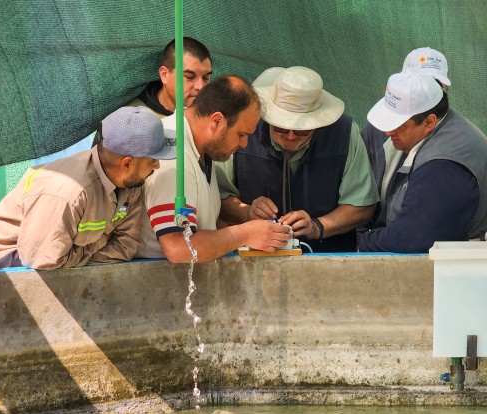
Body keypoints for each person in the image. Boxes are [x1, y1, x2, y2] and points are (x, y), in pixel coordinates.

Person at [0, 107, 175, 271]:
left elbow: (126, 246)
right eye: (152, 160)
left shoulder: (131, 186)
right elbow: (43, 260)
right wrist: (101, 241)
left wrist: (74, 254)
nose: (157, 166)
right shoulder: (68, 191)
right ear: (127, 164)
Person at [359, 71, 487, 253]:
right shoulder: (447, 127)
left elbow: (412, 236)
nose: (388, 133)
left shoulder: (443, 162)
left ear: (429, 122)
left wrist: (362, 242)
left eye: (400, 126)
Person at [215, 66, 379, 252]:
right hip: (255, 260)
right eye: (281, 128)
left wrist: (318, 226)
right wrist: (247, 212)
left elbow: (362, 204)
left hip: (328, 262)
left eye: (302, 130)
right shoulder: (244, 129)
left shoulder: (345, 132)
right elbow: (218, 198)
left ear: (319, 122)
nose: (291, 136)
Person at [136, 75, 291, 262]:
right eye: (241, 134)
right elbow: (178, 247)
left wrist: (247, 214)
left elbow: (201, 217)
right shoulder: (173, 159)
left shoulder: (202, 145)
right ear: (217, 121)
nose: (244, 144)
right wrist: (245, 234)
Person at [361, 47, 451, 192]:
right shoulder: (375, 129)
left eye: (435, 84)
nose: (427, 90)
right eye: (419, 82)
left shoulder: (447, 144)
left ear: (444, 87)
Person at [128, 37, 213, 118]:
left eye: (206, 78)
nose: (200, 86)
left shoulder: (214, 114)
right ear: (164, 75)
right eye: (190, 77)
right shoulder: (136, 120)